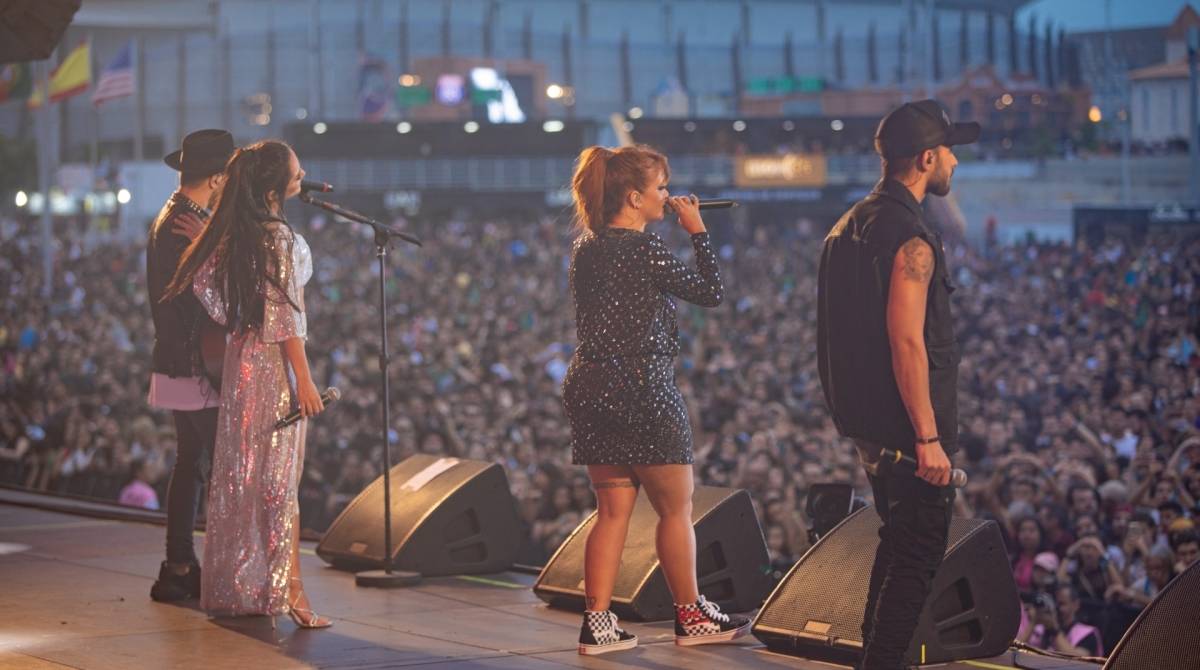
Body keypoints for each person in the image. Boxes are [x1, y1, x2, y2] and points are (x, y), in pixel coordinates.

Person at [561, 144, 750, 655]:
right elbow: (711, 291)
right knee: (675, 509)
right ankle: (691, 615)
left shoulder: (585, 247)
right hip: (643, 383)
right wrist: (698, 233)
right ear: (633, 196)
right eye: (662, 188)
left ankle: (598, 624)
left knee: (611, 511)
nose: (668, 196)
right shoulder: (645, 249)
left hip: (591, 383)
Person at [817, 99, 979, 669]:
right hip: (908, 427)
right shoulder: (910, 237)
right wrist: (928, 438)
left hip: (868, 422)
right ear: (927, 158)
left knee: (897, 541)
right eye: (950, 152)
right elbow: (906, 340)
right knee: (917, 555)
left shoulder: (848, 224)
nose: (956, 162)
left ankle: (872, 657)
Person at [164, 140, 329, 628]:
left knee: (241, 476)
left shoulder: (241, 233)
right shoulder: (278, 237)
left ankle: (239, 585)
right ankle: (291, 592)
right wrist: (305, 380)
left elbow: (214, 299)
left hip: (242, 362)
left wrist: (214, 252)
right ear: (276, 183)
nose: (303, 175)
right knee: (279, 483)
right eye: (298, 170)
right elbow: (286, 319)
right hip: (274, 369)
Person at [147, 129, 235, 602]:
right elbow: (205, 296)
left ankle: (179, 566)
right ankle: (217, 569)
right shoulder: (184, 224)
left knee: (191, 462)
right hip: (195, 362)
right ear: (217, 177)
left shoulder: (177, 213)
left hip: (181, 359)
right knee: (219, 463)